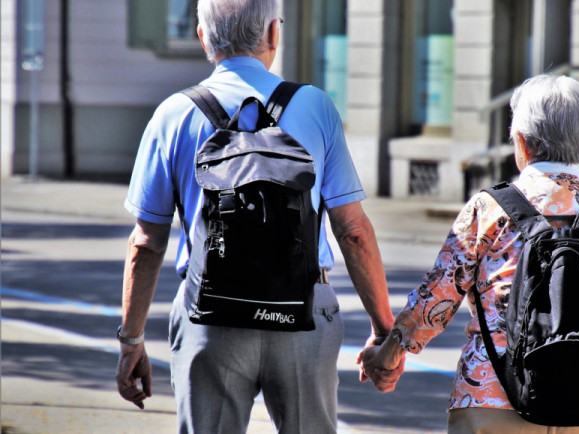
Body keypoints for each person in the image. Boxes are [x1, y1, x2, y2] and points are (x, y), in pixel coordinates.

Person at [115, 1, 401, 432]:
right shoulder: (316, 107)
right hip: (303, 314)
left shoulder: (172, 115)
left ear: (202, 38)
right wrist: (384, 330)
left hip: (211, 318)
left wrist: (132, 341)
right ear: (272, 34)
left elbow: (146, 243)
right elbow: (353, 230)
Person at [360, 74, 579, 434]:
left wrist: (388, 353)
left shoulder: (488, 209)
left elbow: (436, 299)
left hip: (493, 400)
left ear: (523, 143)